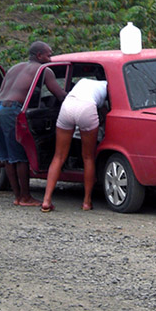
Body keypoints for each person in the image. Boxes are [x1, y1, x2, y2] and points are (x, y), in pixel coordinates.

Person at [0, 41, 67, 207]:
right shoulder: (43, 70)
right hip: (12, 110)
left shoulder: (14, 68)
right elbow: (60, 95)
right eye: (49, 55)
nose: (51, 58)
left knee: (8, 157)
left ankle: (18, 197)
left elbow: (3, 89)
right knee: (20, 156)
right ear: (39, 55)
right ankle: (25, 197)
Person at [40, 78, 108, 213]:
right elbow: (105, 111)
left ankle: (46, 200)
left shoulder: (83, 81)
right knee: (88, 157)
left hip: (68, 105)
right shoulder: (107, 87)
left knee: (58, 156)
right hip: (87, 107)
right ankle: (87, 202)